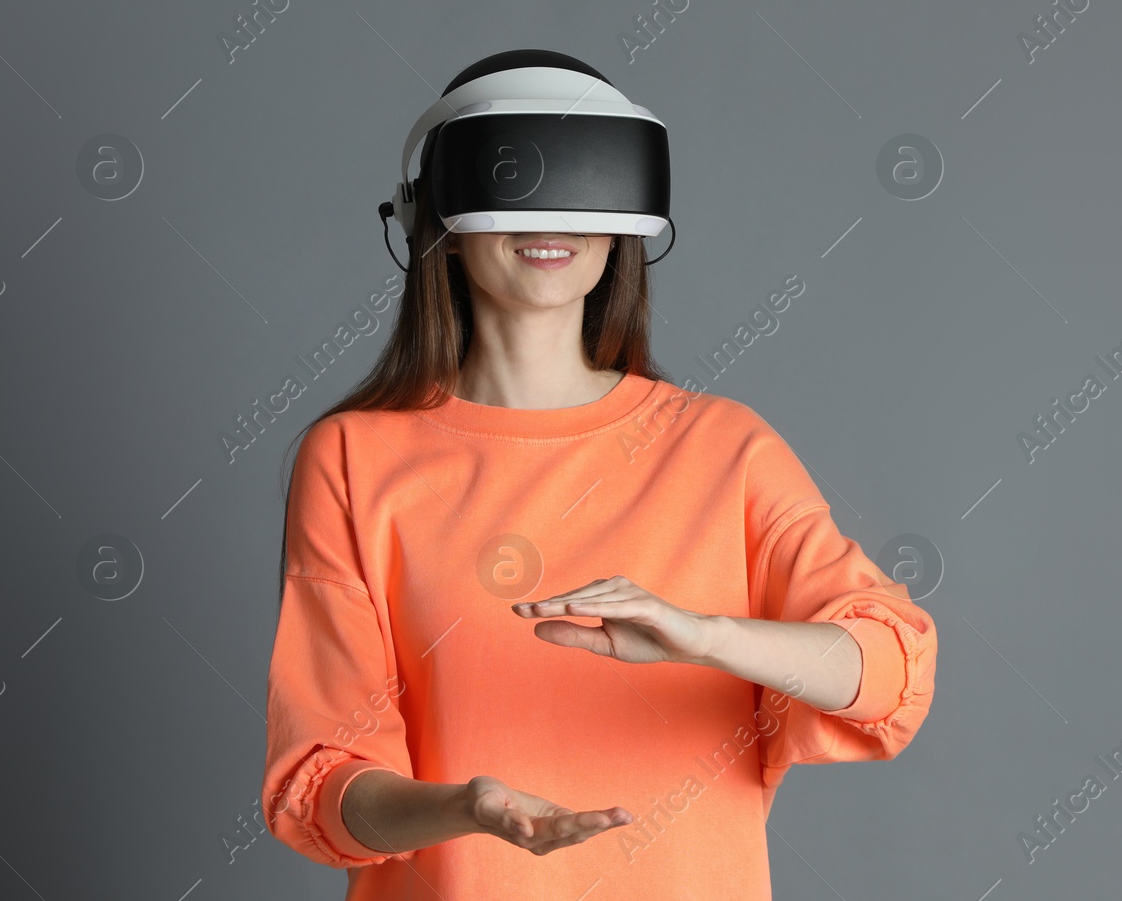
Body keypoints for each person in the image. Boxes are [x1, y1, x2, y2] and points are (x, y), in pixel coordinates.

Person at [259, 62, 938, 900]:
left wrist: (707, 636)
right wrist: (465, 809)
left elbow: (890, 669)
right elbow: (320, 784)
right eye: (514, 176)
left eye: (587, 180)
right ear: (432, 213)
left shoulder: (724, 448)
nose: (554, 217)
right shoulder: (355, 460)